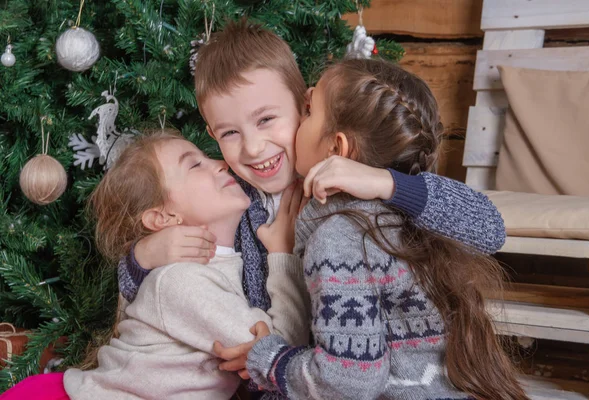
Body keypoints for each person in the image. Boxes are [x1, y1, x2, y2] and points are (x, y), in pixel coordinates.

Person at [118, 19, 506, 320]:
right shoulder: (228, 201)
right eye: (230, 132)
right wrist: (144, 257)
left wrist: (384, 182)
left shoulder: (354, 179)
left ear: (304, 105)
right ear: (211, 134)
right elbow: (153, 301)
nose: (253, 148)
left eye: (267, 119)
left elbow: (489, 229)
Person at [236, 59, 527, 400]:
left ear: (337, 149)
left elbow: (347, 382)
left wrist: (269, 359)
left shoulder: (339, 239)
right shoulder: (397, 211)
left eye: (310, 110)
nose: (303, 108)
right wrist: (389, 183)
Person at [0, 131, 309, 400]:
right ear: (163, 218)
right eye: (195, 163)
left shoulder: (217, 266)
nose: (220, 163)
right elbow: (279, 354)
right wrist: (283, 255)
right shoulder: (182, 281)